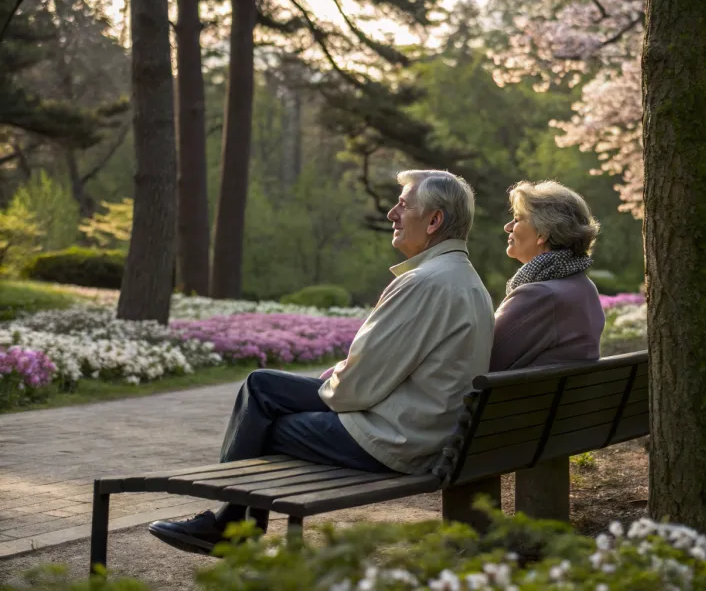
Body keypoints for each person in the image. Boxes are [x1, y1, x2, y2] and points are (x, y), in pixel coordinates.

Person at [148, 170, 495, 554]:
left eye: (403, 205)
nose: (392, 215)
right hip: (424, 431)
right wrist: (329, 384)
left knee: (262, 412)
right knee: (262, 388)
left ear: (434, 220)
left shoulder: (424, 282)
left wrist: (327, 384)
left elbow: (358, 387)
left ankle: (230, 528)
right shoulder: (468, 282)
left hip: (394, 440)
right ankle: (233, 527)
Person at [490, 180, 605, 371]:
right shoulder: (583, 286)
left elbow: (482, 360)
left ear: (542, 233)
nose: (508, 227)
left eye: (518, 219)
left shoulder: (540, 294)